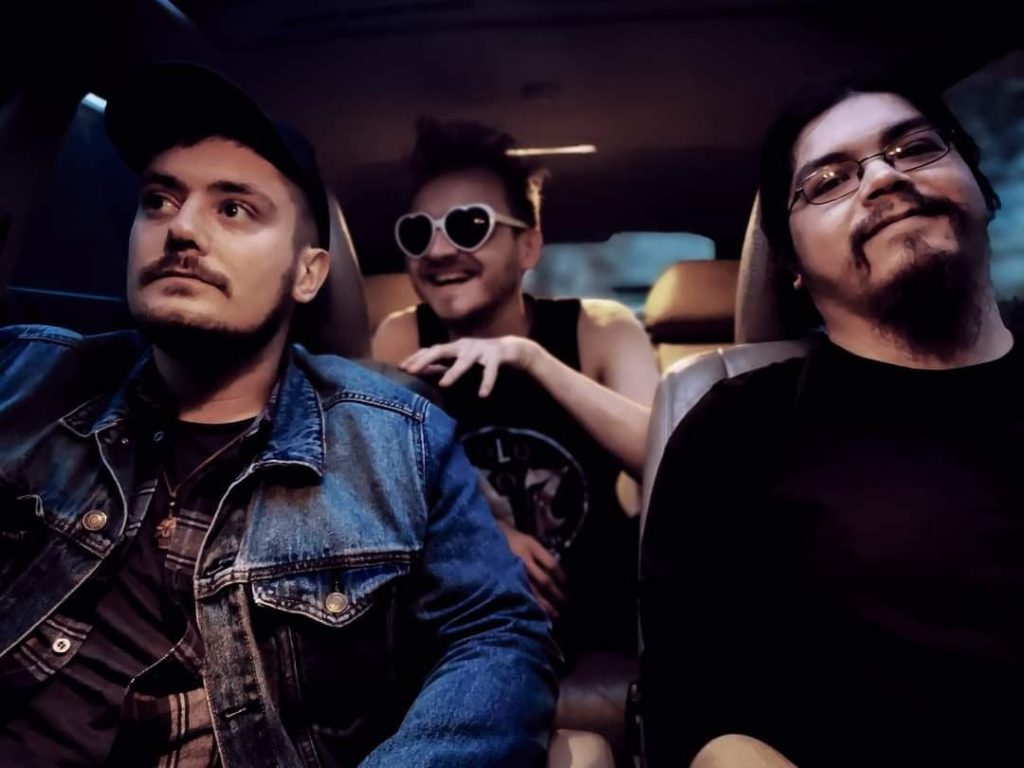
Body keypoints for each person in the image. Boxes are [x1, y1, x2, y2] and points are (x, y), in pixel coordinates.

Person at [0, 62, 556, 768]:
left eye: (234, 209)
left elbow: (498, 637)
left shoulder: (399, 439)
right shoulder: (22, 377)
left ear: (309, 273)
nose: (181, 229)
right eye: (159, 200)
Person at [640, 71, 1023, 768]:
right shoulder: (736, 431)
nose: (884, 178)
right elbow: (692, 715)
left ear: (980, 186)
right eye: (828, 182)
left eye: (915, 148)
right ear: (790, 262)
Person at [373, 119, 660, 659]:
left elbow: (665, 457)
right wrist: (484, 535)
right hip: (466, 628)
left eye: (469, 225)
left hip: (600, 618)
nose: (438, 250)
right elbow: (381, 491)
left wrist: (532, 359)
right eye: (418, 232)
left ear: (528, 246)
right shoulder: (402, 336)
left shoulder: (600, 328)